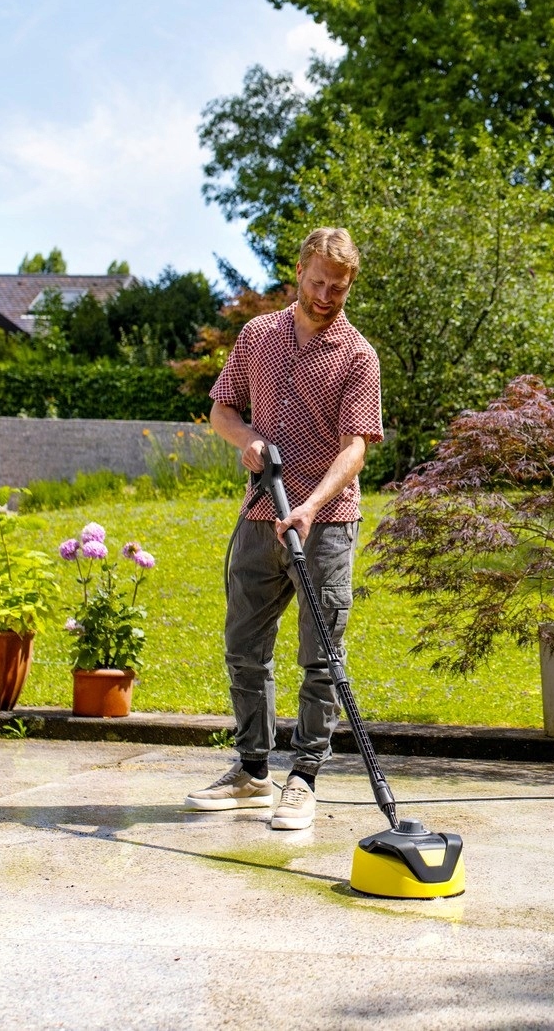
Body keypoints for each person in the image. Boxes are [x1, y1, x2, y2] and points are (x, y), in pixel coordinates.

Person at [185, 227, 383, 831]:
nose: (325, 296)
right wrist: (246, 440)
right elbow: (223, 409)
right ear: (299, 271)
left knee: (321, 658)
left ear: (350, 285)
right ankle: (252, 772)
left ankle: (304, 779)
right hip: (259, 515)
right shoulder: (258, 335)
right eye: (318, 282)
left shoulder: (358, 355)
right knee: (245, 648)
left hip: (326, 524)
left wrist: (312, 505)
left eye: (338, 288)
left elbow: (355, 447)